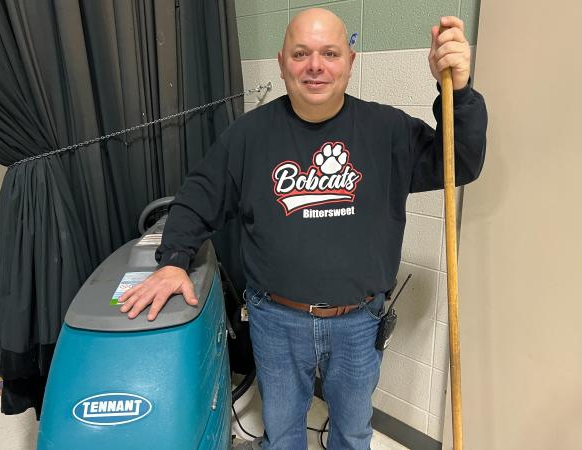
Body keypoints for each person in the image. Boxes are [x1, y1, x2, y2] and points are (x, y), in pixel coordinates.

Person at [119, 8, 486, 450]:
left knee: (352, 433)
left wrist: (459, 93)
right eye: (301, 53)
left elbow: (459, 162)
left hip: (358, 322)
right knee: (283, 432)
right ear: (281, 62)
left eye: (330, 53)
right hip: (275, 320)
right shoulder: (248, 136)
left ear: (350, 62)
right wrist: (174, 261)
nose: (315, 65)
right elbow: (198, 197)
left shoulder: (388, 130)